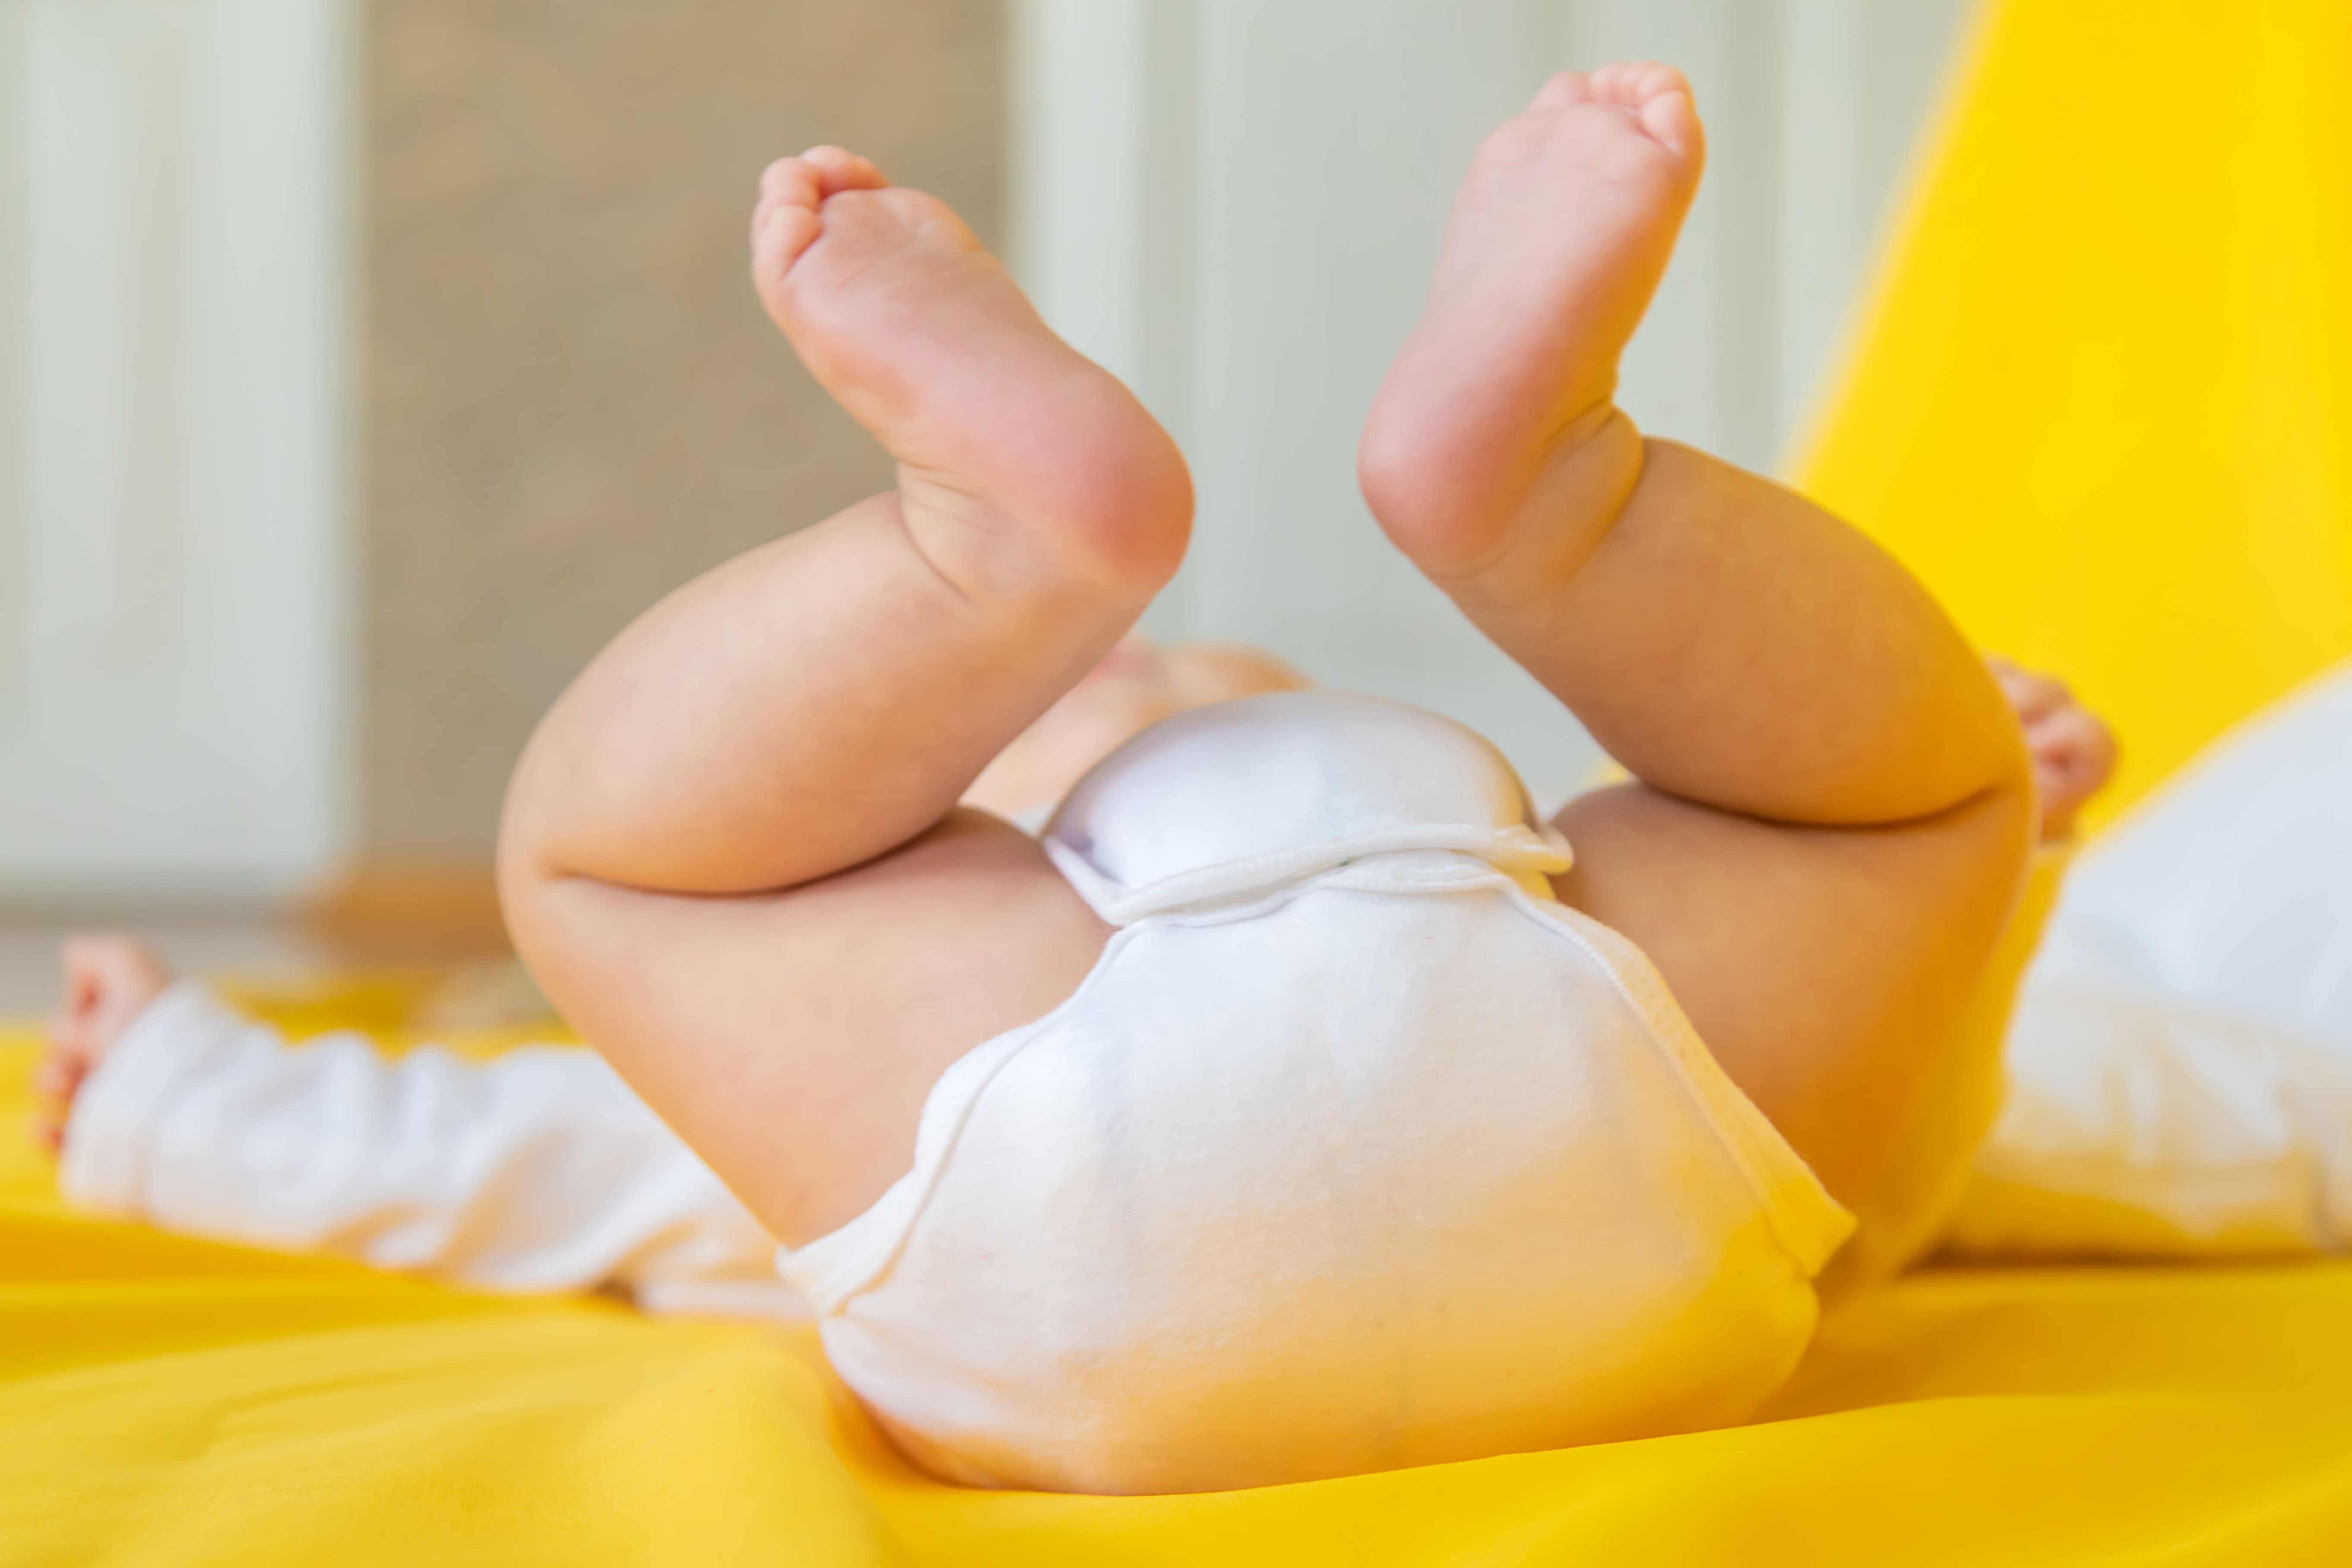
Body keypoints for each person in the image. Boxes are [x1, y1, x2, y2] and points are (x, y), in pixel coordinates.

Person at [36, 66, 2055, 1494]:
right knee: (1931, 799)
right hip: (1646, 1229)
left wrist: (172, 1104)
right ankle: (1554, 505)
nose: (1179, 693)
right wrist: (1970, 902)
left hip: (1090, 1276)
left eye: (1175, 689)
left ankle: (986, 561)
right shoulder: (1515, 916)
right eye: (1152, 684)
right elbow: (1949, 1145)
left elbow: (486, 1156)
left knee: (604, 876)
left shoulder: (810, 1119)